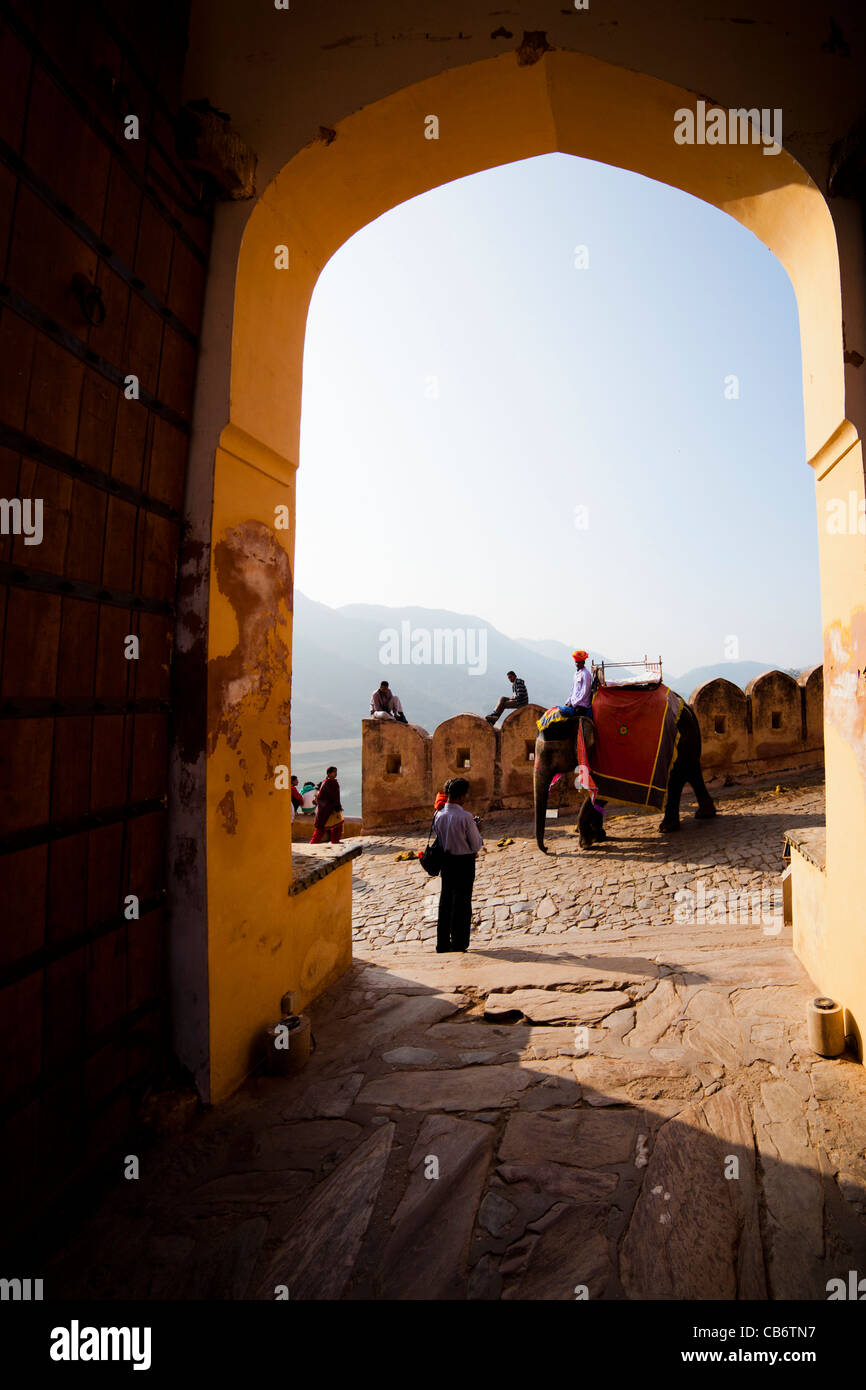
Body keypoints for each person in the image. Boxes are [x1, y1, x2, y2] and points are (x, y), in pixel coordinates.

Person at [432, 776, 483, 953]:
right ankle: (460, 943)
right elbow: (476, 845)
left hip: (446, 862)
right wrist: (479, 830)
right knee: (462, 903)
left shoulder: (438, 815)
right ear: (461, 796)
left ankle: (443, 943)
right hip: (464, 863)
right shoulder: (465, 817)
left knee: (445, 902)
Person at [310, 766, 343, 844]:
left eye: (336, 772)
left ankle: (334, 841)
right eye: (334, 772)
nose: (335, 774)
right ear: (329, 773)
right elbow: (332, 796)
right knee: (325, 827)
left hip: (328, 808)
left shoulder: (328, 782)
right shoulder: (329, 783)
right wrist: (336, 806)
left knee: (334, 826)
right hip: (329, 808)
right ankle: (315, 843)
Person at [560, 649, 593, 720]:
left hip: (581, 706)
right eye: (576, 662)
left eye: (579, 662)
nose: (577, 664)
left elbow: (584, 692)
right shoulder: (576, 674)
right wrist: (568, 701)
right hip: (574, 704)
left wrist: (573, 703)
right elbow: (573, 690)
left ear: (583, 662)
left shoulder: (586, 674)